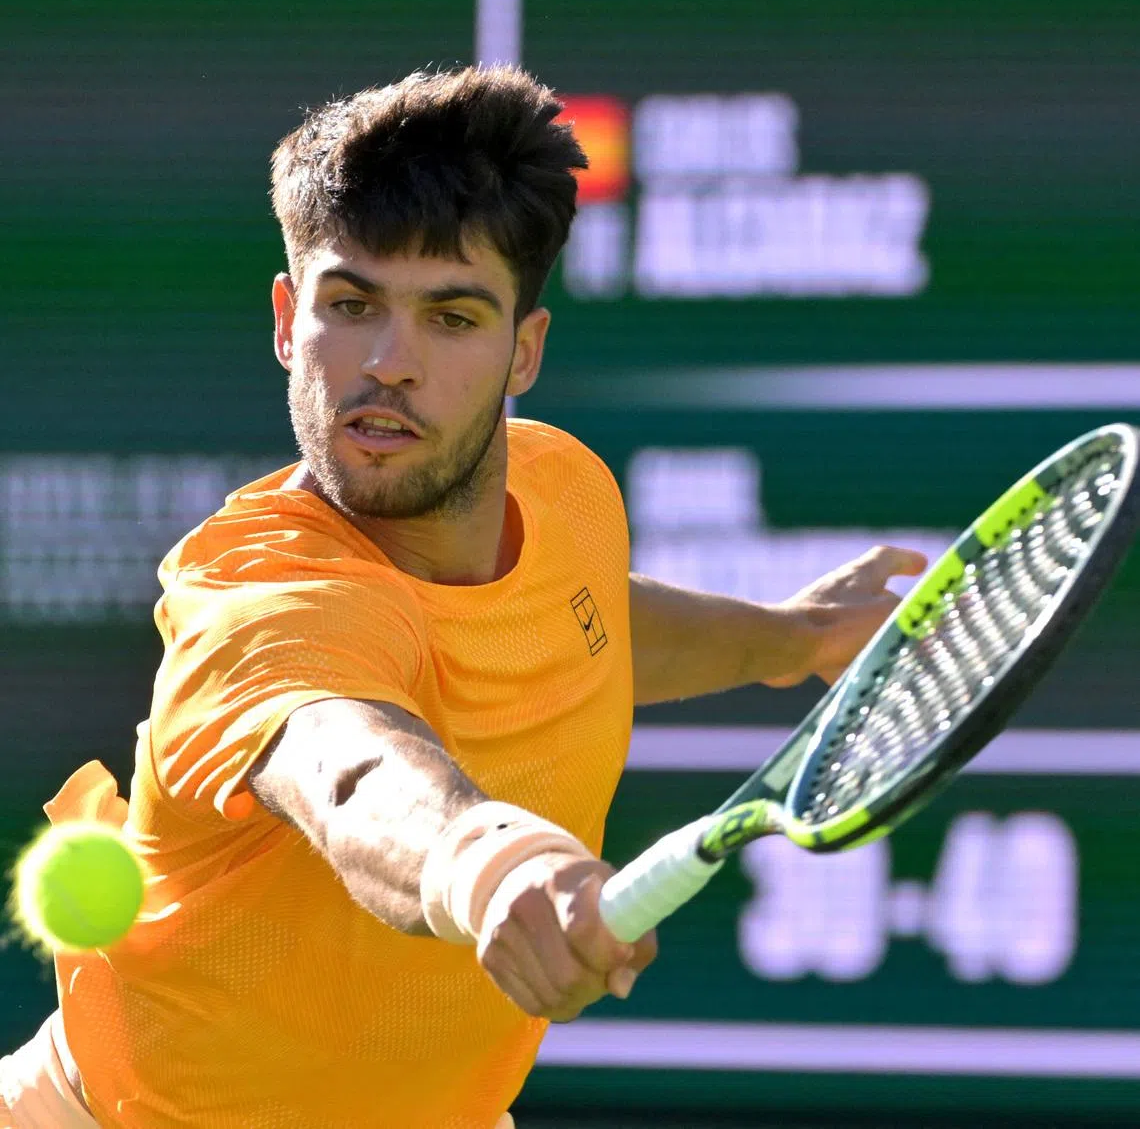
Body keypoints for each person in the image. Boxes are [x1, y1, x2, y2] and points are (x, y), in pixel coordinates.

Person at [0, 65, 925, 1128]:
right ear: (287, 321)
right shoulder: (259, 595)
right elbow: (347, 773)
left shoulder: (565, 493)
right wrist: (491, 864)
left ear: (521, 349)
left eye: (451, 317)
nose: (390, 364)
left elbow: (588, 623)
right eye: (351, 306)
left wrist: (789, 637)